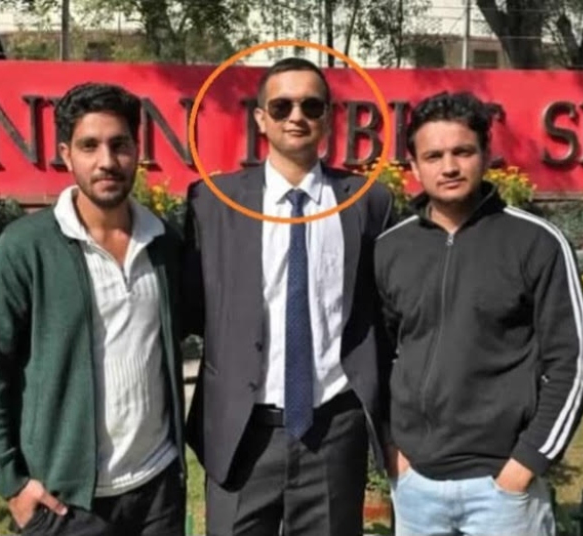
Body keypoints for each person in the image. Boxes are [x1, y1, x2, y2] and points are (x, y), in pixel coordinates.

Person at [183, 57, 395, 536]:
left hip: (333, 429)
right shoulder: (212, 202)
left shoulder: (367, 201)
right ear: (261, 119)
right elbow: (193, 308)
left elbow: (381, 312)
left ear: (328, 118)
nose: (296, 116)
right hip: (242, 432)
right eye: (281, 106)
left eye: (310, 105)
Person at [0, 82, 187, 536]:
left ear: (137, 151)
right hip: (66, 502)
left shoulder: (163, 242)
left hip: (158, 490)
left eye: (119, 144)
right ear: (67, 155)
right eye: (90, 146)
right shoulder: (27, 248)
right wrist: (13, 484)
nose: (107, 160)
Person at [374, 90, 583, 536]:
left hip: (503, 491)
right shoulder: (390, 248)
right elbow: (373, 360)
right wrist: (391, 450)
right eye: (433, 156)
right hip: (416, 487)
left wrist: (527, 462)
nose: (449, 166)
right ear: (414, 167)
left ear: (486, 154)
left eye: (462, 151)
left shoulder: (536, 242)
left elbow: (573, 363)